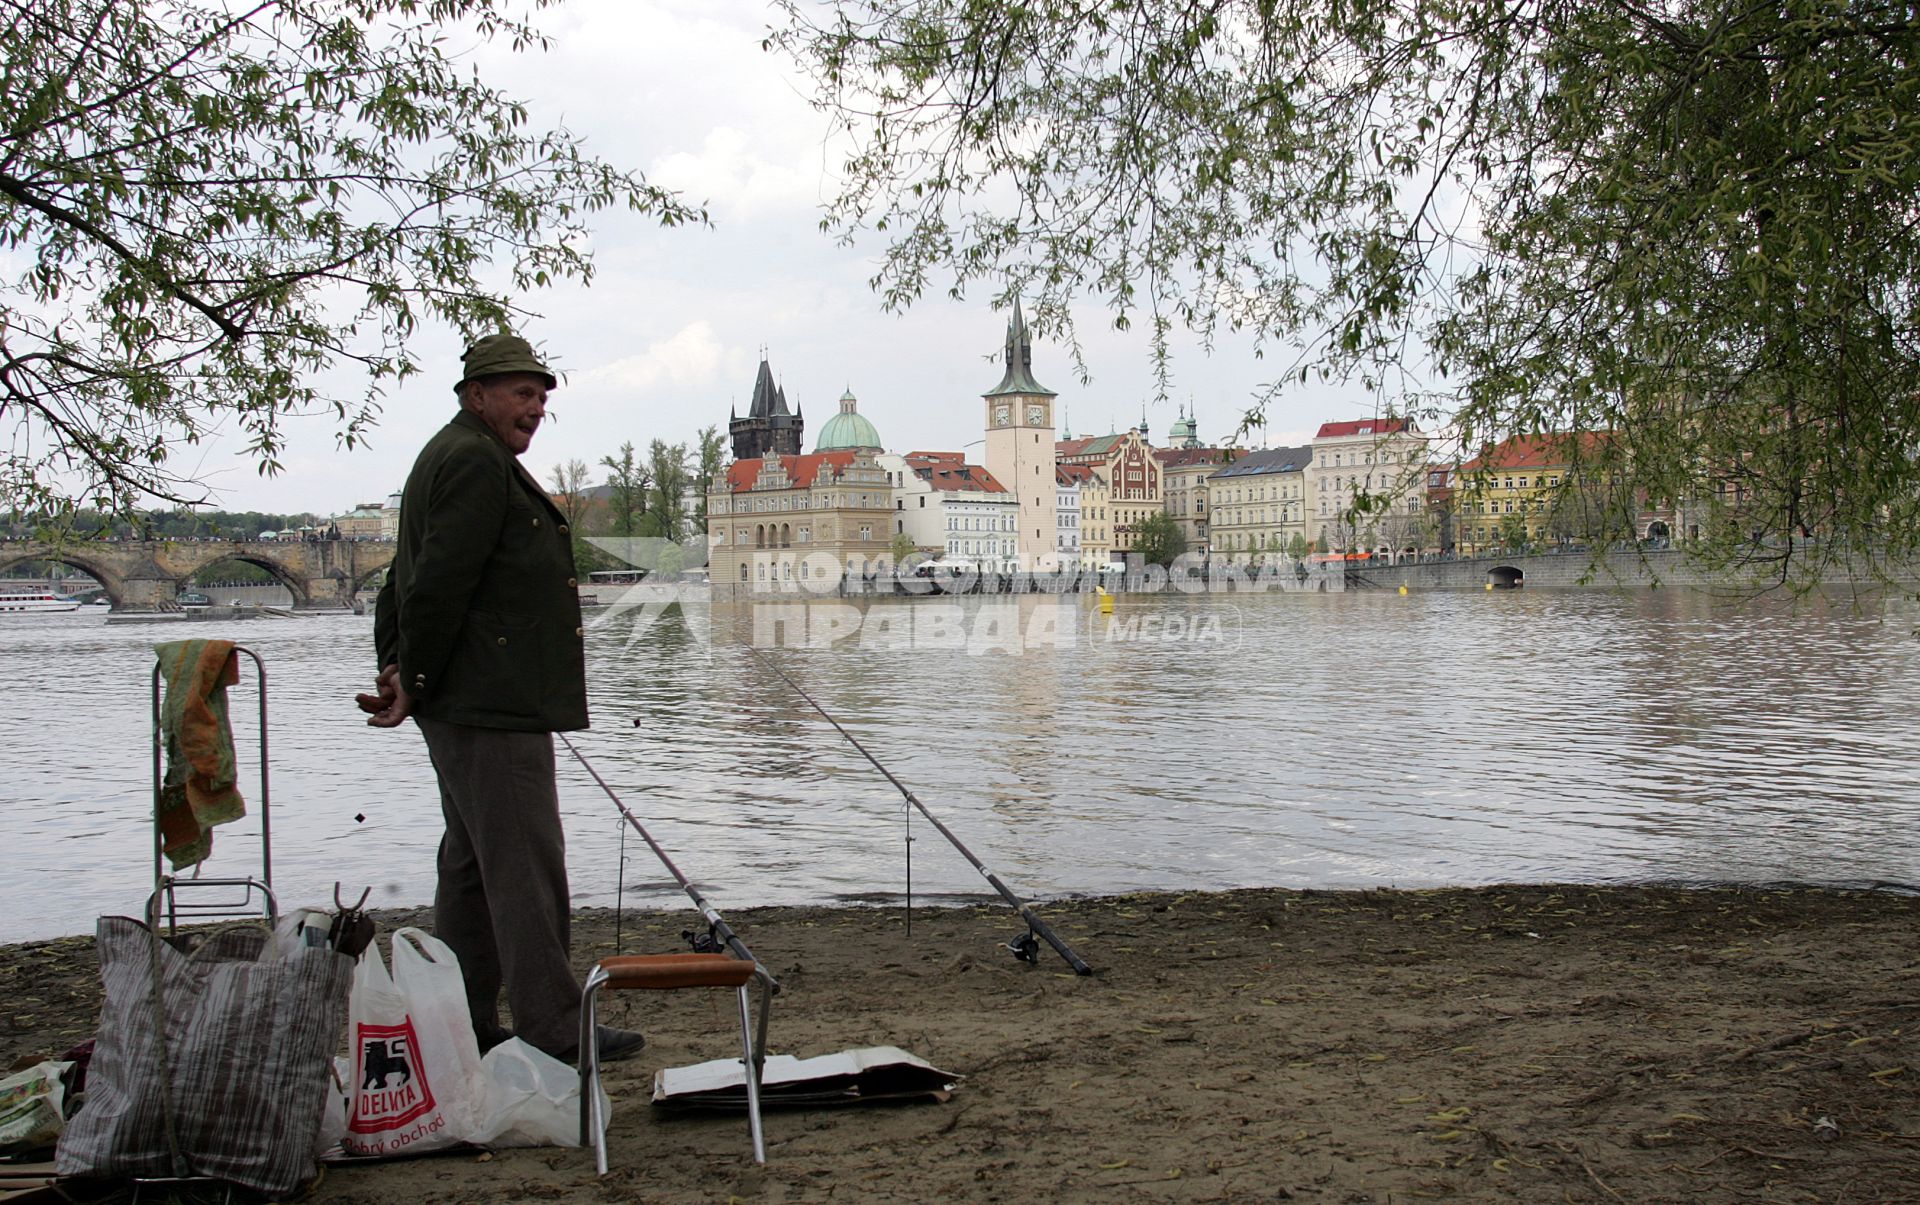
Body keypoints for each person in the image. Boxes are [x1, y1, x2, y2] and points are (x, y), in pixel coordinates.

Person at [355, 333, 644, 1064]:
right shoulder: (475, 462)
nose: (536, 407)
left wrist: (401, 668)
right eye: (522, 392)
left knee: (473, 866)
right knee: (524, 865)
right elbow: (433, 584)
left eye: (542, 396)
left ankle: (464, 1021)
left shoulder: (452, 455)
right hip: (489, 702)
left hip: (469, 696)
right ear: (476, 394)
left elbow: (403, 579)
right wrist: (410, 679)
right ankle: (552, 1026)